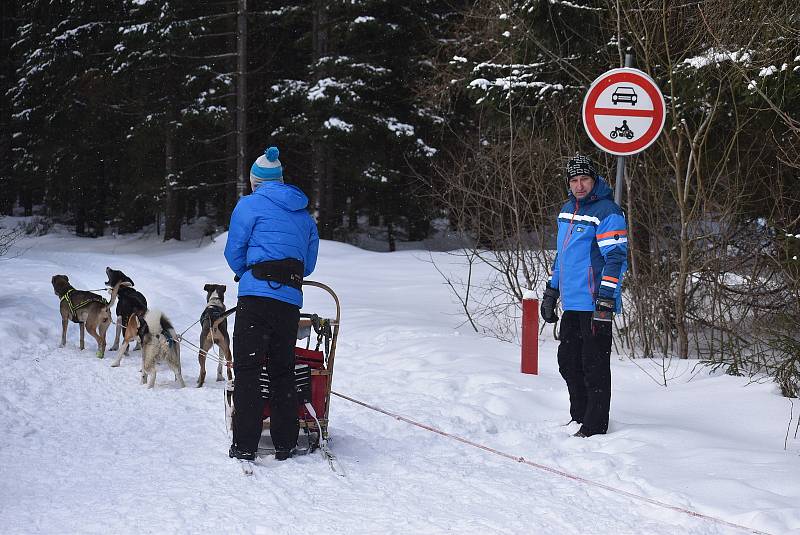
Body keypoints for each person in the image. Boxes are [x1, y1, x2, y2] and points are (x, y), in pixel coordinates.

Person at [224, 145, 319, 461]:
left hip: (255, 297)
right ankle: (285, 442)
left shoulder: (248, 206)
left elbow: (234, 251)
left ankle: (245, 445)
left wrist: (249, 274)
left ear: (255, 182)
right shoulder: (303, 214)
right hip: (289, 301)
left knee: (249, 370)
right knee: (282, 369)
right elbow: (308, 264)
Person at [540, 154, 628, 438]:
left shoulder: (607, 212)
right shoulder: (568, 210)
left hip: (594, 303)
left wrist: (606, 297)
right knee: (568, 361)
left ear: (594, 180)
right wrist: (552, 292)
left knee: (594, 366)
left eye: (584, 179)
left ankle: (594, 425)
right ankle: (579, 416)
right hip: (572, 303)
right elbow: (562, 257)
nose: (579, 186)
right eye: (574, 180)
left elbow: (615, 257)